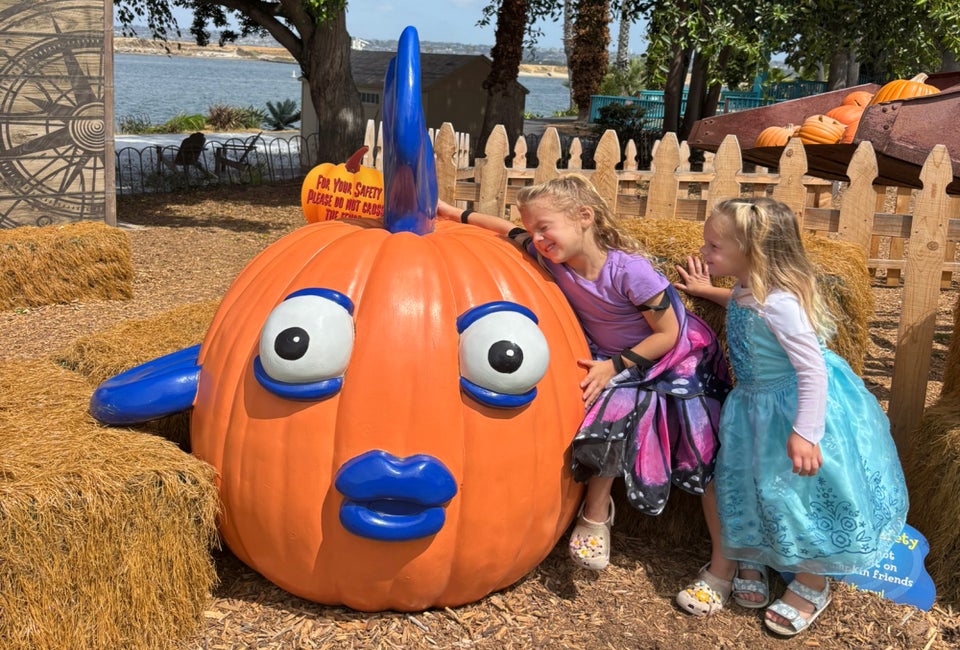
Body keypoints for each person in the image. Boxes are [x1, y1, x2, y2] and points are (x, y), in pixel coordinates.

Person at [436, 174, 732, 599]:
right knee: (608, 408)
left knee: (701, 451)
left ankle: (724, 559)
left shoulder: (629, 270)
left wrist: (615, 366)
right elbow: (505, 229)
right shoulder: (552, 257)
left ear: (584, 217)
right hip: (619, 362)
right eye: (532, 230)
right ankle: (596, 515)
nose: (536, 239)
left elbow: (667, 334)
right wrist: (454, 214)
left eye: (545, 228)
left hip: (672, 359)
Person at [674, 197, 908, 636]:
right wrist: (709, 291)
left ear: (753, 251)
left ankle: (813, 579)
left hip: (792, 408)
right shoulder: (750, 286)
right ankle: (759, 555)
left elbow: (811, 368)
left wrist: (805, 432)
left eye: (714, 247)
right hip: (755, 408)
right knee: (753, 484)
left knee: (801, 493)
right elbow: (743, 302)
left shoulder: (781, 302)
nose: (704, 253)